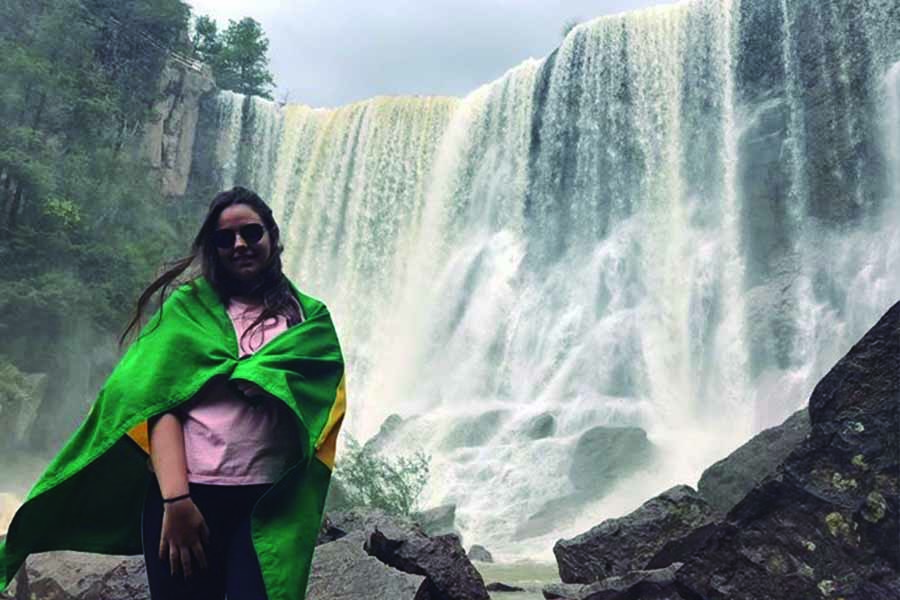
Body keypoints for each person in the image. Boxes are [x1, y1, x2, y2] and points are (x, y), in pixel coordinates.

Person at [0, 187, 345, 600]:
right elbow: (158, 404)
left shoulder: (308, 318)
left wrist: (263, 379)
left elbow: (321, 400)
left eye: (251, 233)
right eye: (224, 238)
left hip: (268, 502)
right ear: (212, 248)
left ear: (272, 235)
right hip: (190, 497)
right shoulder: (187, 310)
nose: (239, 244)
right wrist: (176, 500)